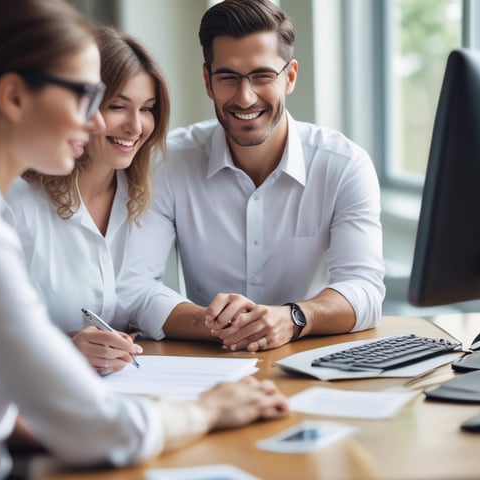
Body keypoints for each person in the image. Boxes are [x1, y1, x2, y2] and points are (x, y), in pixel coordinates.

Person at [0, 1, 289, 478]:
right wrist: (208, 410)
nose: (95, 122)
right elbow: (98, 429)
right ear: (13, 97)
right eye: (84, 97)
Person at [117, 0, 386, 353]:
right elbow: (135, 288)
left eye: (262, 76)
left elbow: (364, 289)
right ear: (208, 81)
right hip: (212, 360)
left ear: (289, 77)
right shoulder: (168, 162)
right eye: (228, 77)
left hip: (312, 360)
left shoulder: (344, 165)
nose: (245, 98)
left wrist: (292, 318)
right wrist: (219, 326)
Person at [5, 25, 169, 376]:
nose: (135, 126)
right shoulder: (16, 200)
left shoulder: (140, 193)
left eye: (147, 109)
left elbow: (138, 295)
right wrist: (64, 346)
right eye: (117, 106)